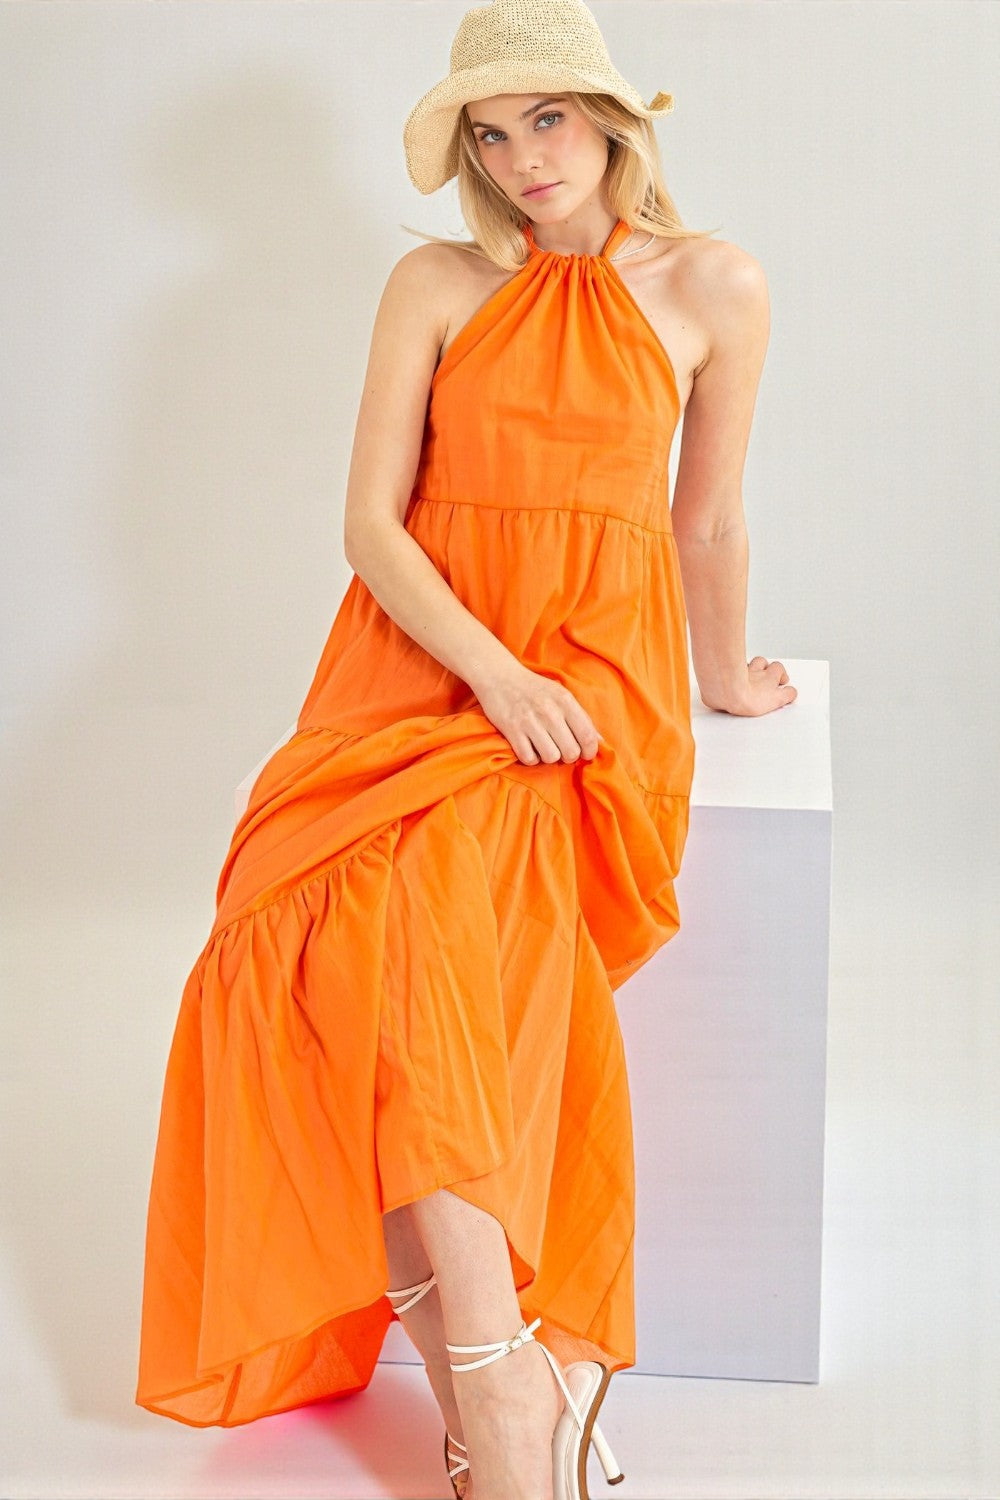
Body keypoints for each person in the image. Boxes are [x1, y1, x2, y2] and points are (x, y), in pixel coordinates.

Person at [134, 1, 796, 1496]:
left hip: (596, 672)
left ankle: (494, 1404)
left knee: (427, 899)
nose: (520, 160)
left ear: (610, 121)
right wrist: (491, 676)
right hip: (425, 658)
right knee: (311, 933)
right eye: (489, 137)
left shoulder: (715, 283)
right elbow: (371, 525)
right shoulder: (433, 281)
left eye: (545, 120)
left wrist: (724, 683)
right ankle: (513, 1384)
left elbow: (704, 519)